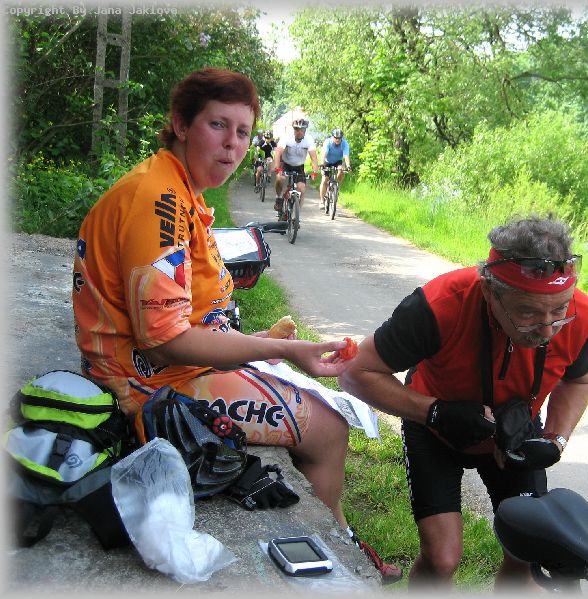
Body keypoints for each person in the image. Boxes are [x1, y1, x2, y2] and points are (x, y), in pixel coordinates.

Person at [71, 67, 401, 584]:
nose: (233, 145)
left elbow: (184, 316)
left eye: (243, 132)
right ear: (181, 124)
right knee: (330, 429)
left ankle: (337, 537)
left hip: (161, 367)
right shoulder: (159, 202)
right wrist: (282, 352)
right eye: (218, 125)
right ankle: (341, 548)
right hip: (145, 386)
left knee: (311, 398)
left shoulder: (179, 189)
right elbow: (165, 341)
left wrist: (258, 343)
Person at [338, 213, 588, 590]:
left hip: (513, 432)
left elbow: (578, 380)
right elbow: (356, 372)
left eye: (558, 311)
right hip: (434, 429)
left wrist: (554, 438)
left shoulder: (582, 314)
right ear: (490, 291)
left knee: (527, 552)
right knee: (442, 558)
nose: (546, 329)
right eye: (527, 312)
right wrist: (435, 412)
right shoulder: (441, 303)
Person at [273, 118, 318, 215]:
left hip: (299, 166)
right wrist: (277, 168)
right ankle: (279, 197)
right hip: (286, 164)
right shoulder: (287, 137)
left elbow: (314, 158)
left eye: (302, 130)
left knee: (301, 188)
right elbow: (278, 153)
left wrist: (314, 172)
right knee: (280, 178)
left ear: (305, 130)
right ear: (293, 130)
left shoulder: (309, 139)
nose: (299, 132)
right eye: (297, 129)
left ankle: (297, 215)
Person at [319, 128, 351, 209]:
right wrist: (322, 163)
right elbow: (324, 153)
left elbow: (346, 155)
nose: (337, 140)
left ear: (341, 138)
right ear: (332, 137)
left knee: (341, 170)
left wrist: (348, 166)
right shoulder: (328, 142)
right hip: (327, 161)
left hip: (337, 161)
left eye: (339, 138)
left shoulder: (344, 143)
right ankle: (322, 201)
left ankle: (336, 186)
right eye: (336, 138)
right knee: (324, 180)